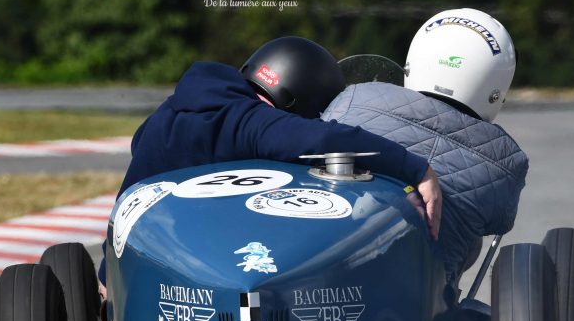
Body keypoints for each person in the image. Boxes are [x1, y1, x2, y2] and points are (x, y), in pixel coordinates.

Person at [99, 36, 443, 285]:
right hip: (197, 270)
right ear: (295, 101)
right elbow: (322, 139)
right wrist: (417, 169)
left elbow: (137, 160)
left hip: (127, 263)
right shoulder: (249, 121)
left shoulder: (174, 110)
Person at [323, 8, 528, 283]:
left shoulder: (355, 98)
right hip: (421, 298)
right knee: (471, 237)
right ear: (496, 89)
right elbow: (499, 222)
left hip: (331, 264)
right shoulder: (506, 161)